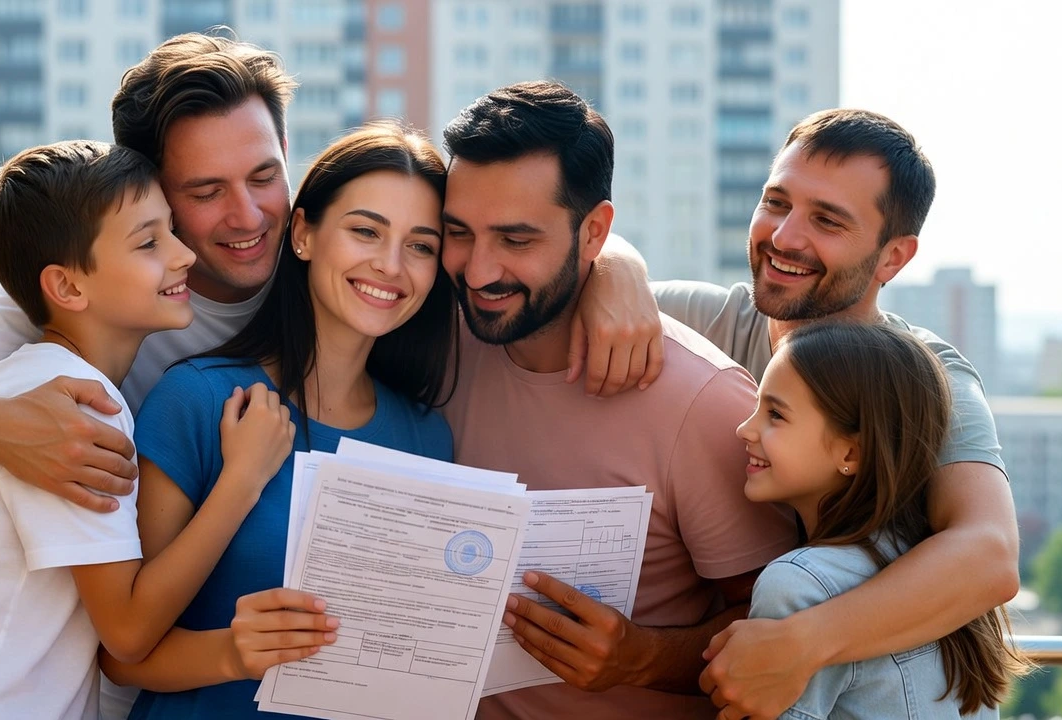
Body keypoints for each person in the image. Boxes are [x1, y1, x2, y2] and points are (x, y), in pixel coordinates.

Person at [0, 32, 662, 515]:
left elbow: (497, 237)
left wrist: (614, 265)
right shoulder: (89, 291)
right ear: (151, 190)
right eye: (204, 191)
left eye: (264, 176)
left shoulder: (346, 269)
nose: (249, 216)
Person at [0, 140, 296, 718]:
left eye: (172, 230)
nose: (183, 256)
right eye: (149, 242)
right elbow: (127, 629)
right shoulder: (74, 405)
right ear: (67, 288)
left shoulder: (22, 380)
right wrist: (242, 480)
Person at [435, 81, 798, 719]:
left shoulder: (706, 403)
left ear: (595, 230)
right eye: (458, 233)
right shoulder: (430, 343)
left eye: (517, 241)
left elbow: (773, 626)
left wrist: (643, 658)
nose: (478, 271)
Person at [645, 109, 1020, 720]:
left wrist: (800, 643)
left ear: (893, 257)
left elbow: (989, 554)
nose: (786, 236)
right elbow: (587, 257)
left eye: (827, 220)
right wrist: (617, 273)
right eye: (776, 202)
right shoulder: (709, 321)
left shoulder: (924, 379)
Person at [96, 122, 455, 719]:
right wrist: (233, 654)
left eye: (421, 245)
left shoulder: (429, 437)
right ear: (304, 233)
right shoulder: (200, 400)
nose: (392, 265)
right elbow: (122, 654)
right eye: (366, 231)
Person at [738, 321, 1029, 718]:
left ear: (851, 455)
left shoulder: (798, 585)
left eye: (775, 414)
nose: (744, 428)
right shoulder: (940, 582)